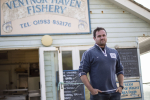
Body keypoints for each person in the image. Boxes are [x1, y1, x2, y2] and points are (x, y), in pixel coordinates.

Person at [78, 27, 124, 100]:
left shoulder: (114, 52)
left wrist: (121, 86)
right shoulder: (88, 53)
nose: (102, 38)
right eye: (99, 36)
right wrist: (92, 90)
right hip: (98, 95)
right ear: (94, 38)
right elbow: (82, 73)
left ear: (106, 36)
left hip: (115, 94)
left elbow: (120, 70)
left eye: (104, 35)